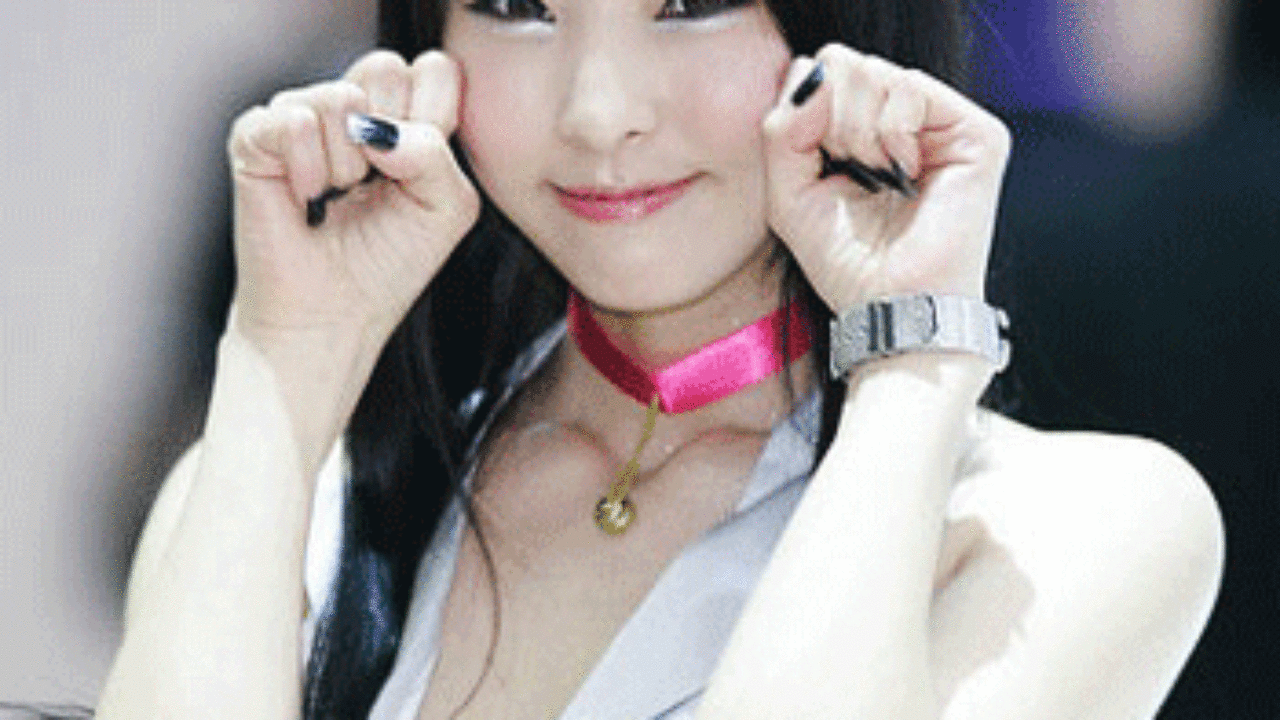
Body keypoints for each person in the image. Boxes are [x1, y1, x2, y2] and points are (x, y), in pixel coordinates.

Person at [96, 0, 1226, 717]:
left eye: (688, 3)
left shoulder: (1070, 530)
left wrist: (908, 363)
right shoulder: (285, 499)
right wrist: (284, 358)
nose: (600, 112)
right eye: (515, 6)